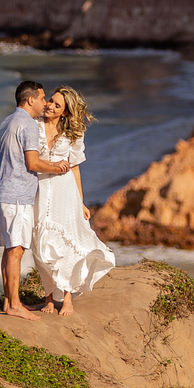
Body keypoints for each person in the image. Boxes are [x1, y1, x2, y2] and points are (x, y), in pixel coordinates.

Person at [32, 85, 115, 315]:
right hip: (39, 189)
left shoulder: (73, 134)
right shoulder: (34, 126)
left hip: (64, 191)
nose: (49, 105)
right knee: (39, 242)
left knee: (65, 240)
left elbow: (75, 169)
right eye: (50, 100)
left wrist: (81, 201)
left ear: (65, 112)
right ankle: (48, 298)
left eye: (57, 105)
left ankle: (67, 297)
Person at [0, 81, 70, 321]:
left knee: (9, 249)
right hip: (17, 195)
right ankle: (14, 304)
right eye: (43, 98)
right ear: (30, 100)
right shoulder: (28, 125)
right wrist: (57, 167)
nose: (46, 103)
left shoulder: (7, 121)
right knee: (16, 250)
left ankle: (8, 301)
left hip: (1, 192)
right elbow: (32, 163)